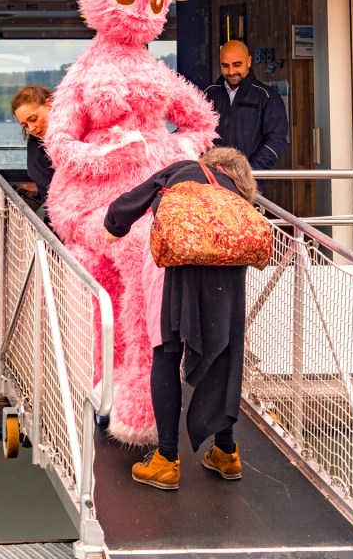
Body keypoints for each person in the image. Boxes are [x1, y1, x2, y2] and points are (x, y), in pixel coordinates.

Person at [103, 146, 256, 490]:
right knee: (225, 354)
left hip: (175, 270)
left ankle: (167, 460)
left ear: (211, 163)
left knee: (167, 352)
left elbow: (131, 201)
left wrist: (113, 226)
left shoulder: (187, 168)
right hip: (226, 277)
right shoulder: (238, 197)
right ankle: (226, 452)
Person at [204, 40, 288, 171]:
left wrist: (249, 171)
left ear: (249, 62)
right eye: (225, 65)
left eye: (237, 65)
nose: (231, 71)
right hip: (211, 181)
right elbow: (193, 132)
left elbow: (277, 140)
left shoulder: (266, 97)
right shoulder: (208, 94)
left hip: (248, 184)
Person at [10, 85, 55, 213]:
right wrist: (38, 187)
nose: (31, 128)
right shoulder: (36, 145)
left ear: (49, 104)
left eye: (34, 119)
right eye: (25, 125)